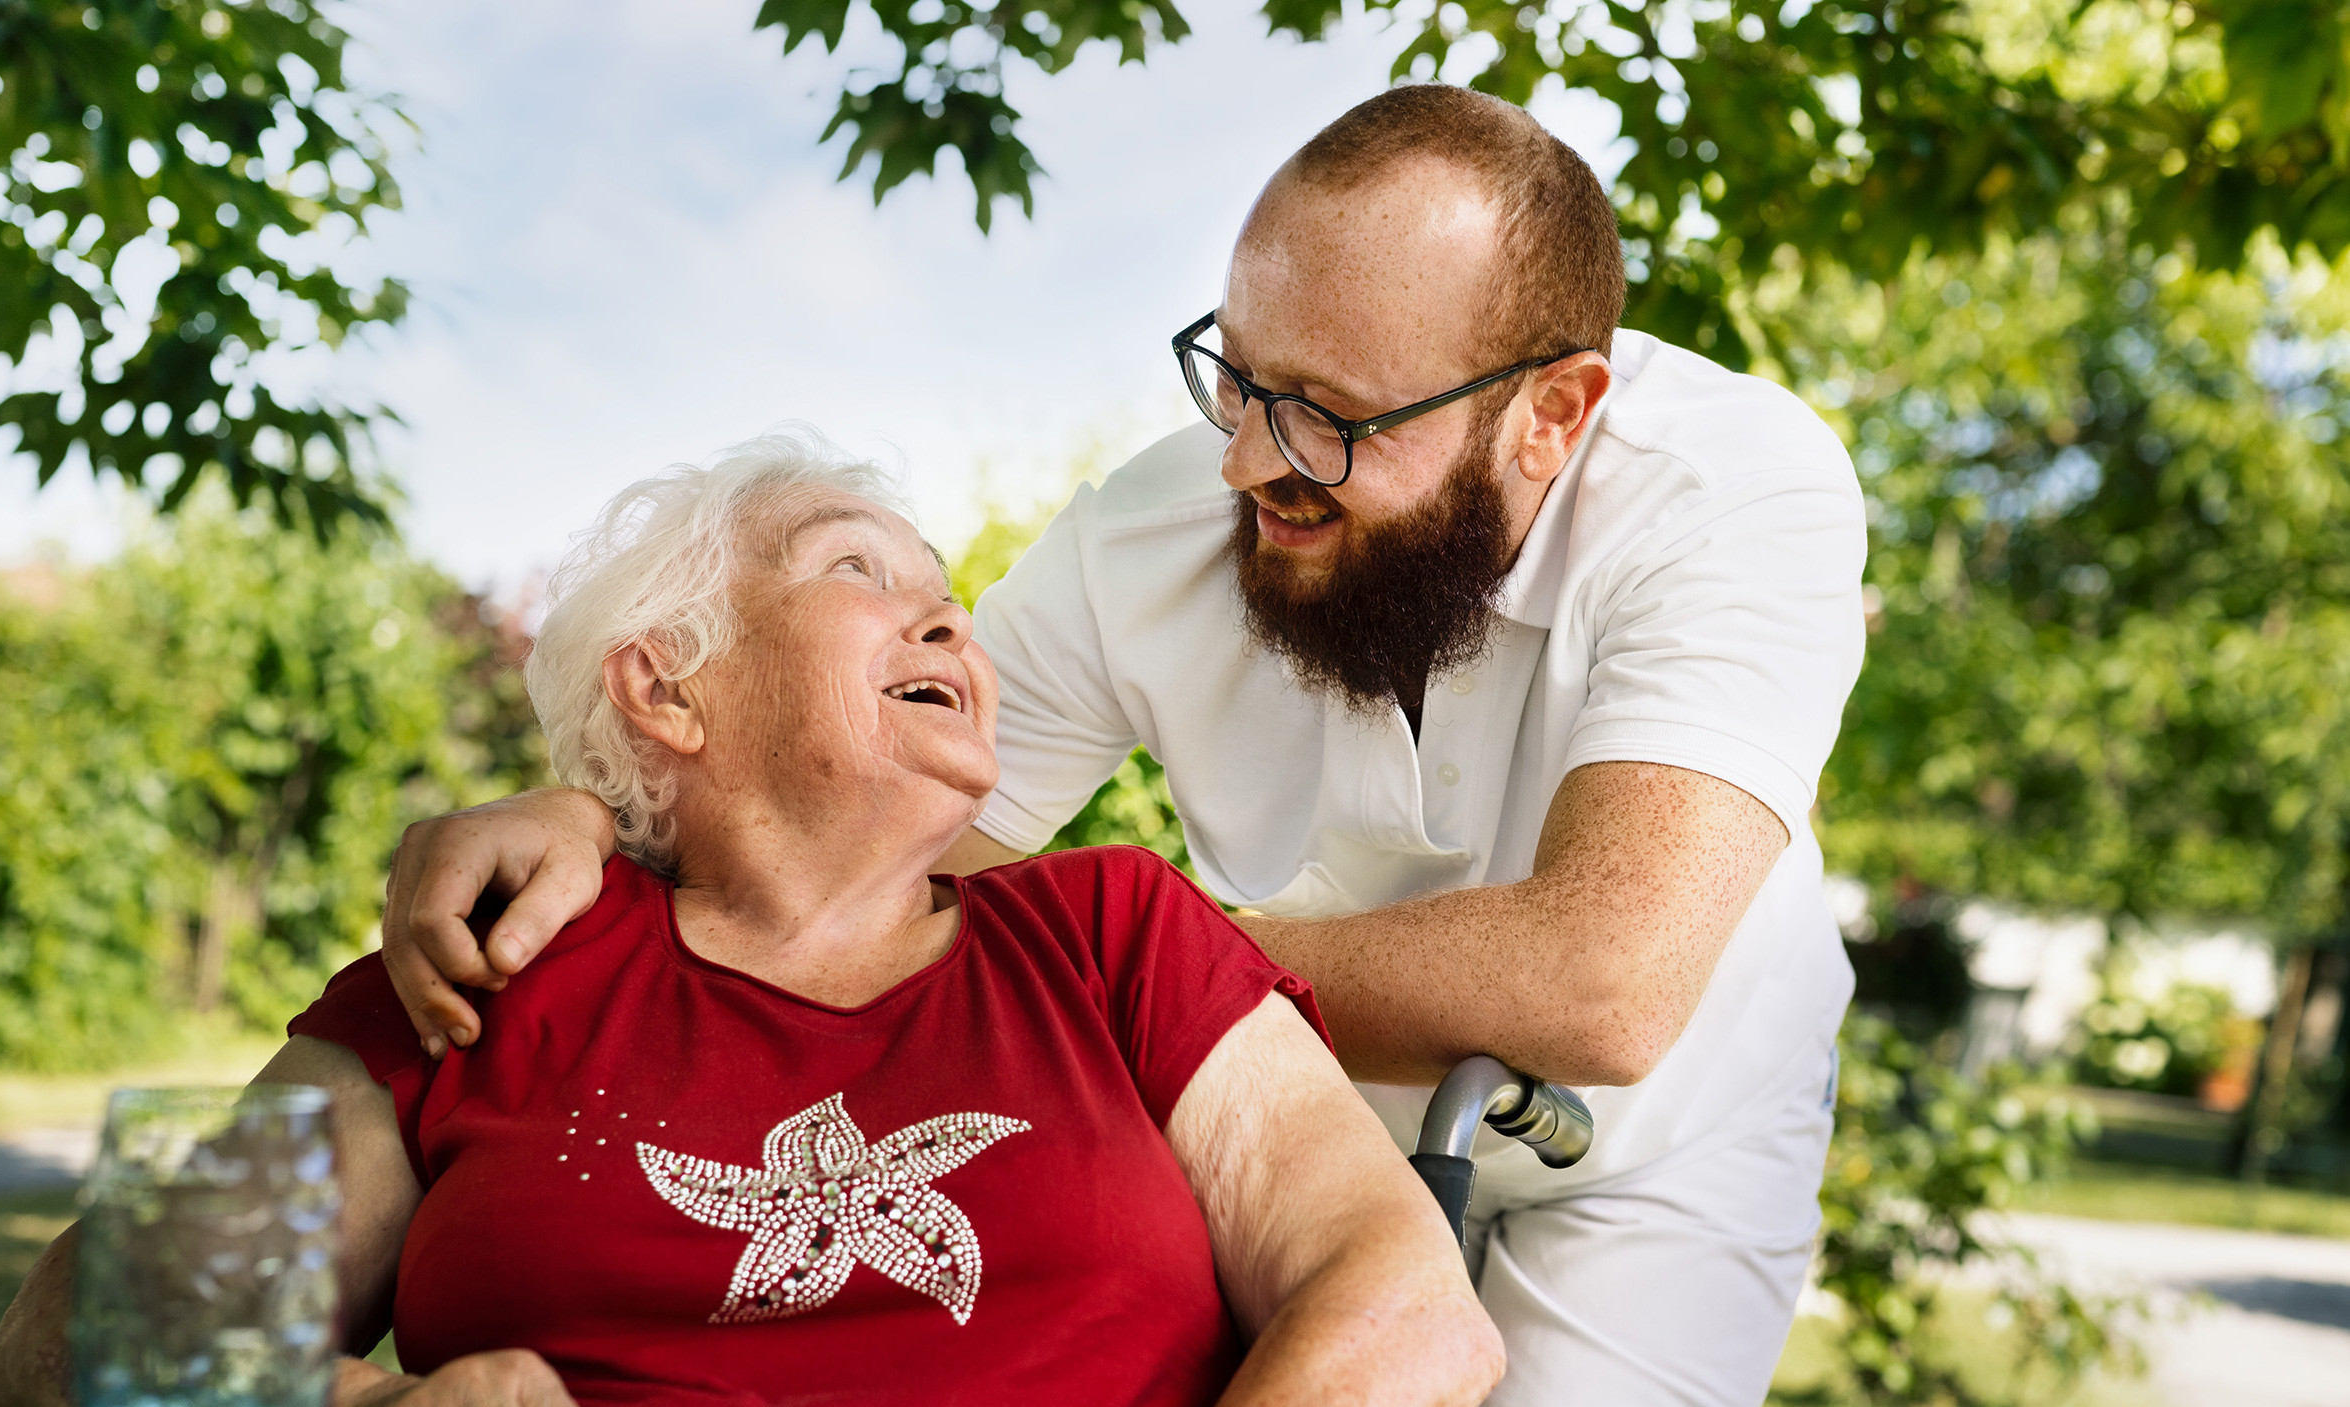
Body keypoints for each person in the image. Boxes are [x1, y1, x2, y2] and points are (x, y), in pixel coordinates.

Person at [380, 86, 1867, 1406]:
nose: (1246, 462)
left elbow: (1600, 983)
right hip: (1301, 1114)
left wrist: (1164, 988)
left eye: (1330, 420)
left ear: (1550, 418)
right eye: (1238, 375)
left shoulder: (1739, 491)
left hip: (1656, 1150)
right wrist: (602, 817)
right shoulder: (1153, 535)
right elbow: (848, 804)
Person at [0, 440, 1502, 1407]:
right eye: (858, 569)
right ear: (666, 687)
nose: (949, 621)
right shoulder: (487, 971)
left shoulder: (1110, 933)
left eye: (950, 597)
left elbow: (1410, 1316)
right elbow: (73, 1351)